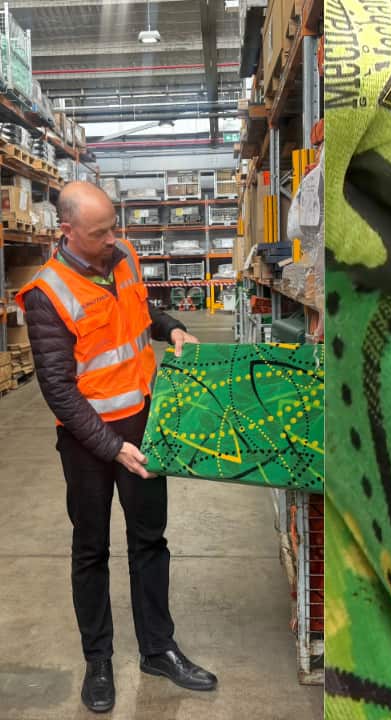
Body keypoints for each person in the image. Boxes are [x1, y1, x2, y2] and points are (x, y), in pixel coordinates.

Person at [15, 181, 216, 713]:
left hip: (146, 425)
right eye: (100, 232)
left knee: (151, 539)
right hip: (89, 442)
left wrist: (172, 328)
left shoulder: (122, 256)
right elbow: (58, 388)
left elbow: (139, 316)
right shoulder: (47, 293)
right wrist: (111, 447)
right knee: (92, 548)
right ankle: (98, 660)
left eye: (114, 226)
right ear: (67, 230)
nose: (114, 239)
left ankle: (158, 648)